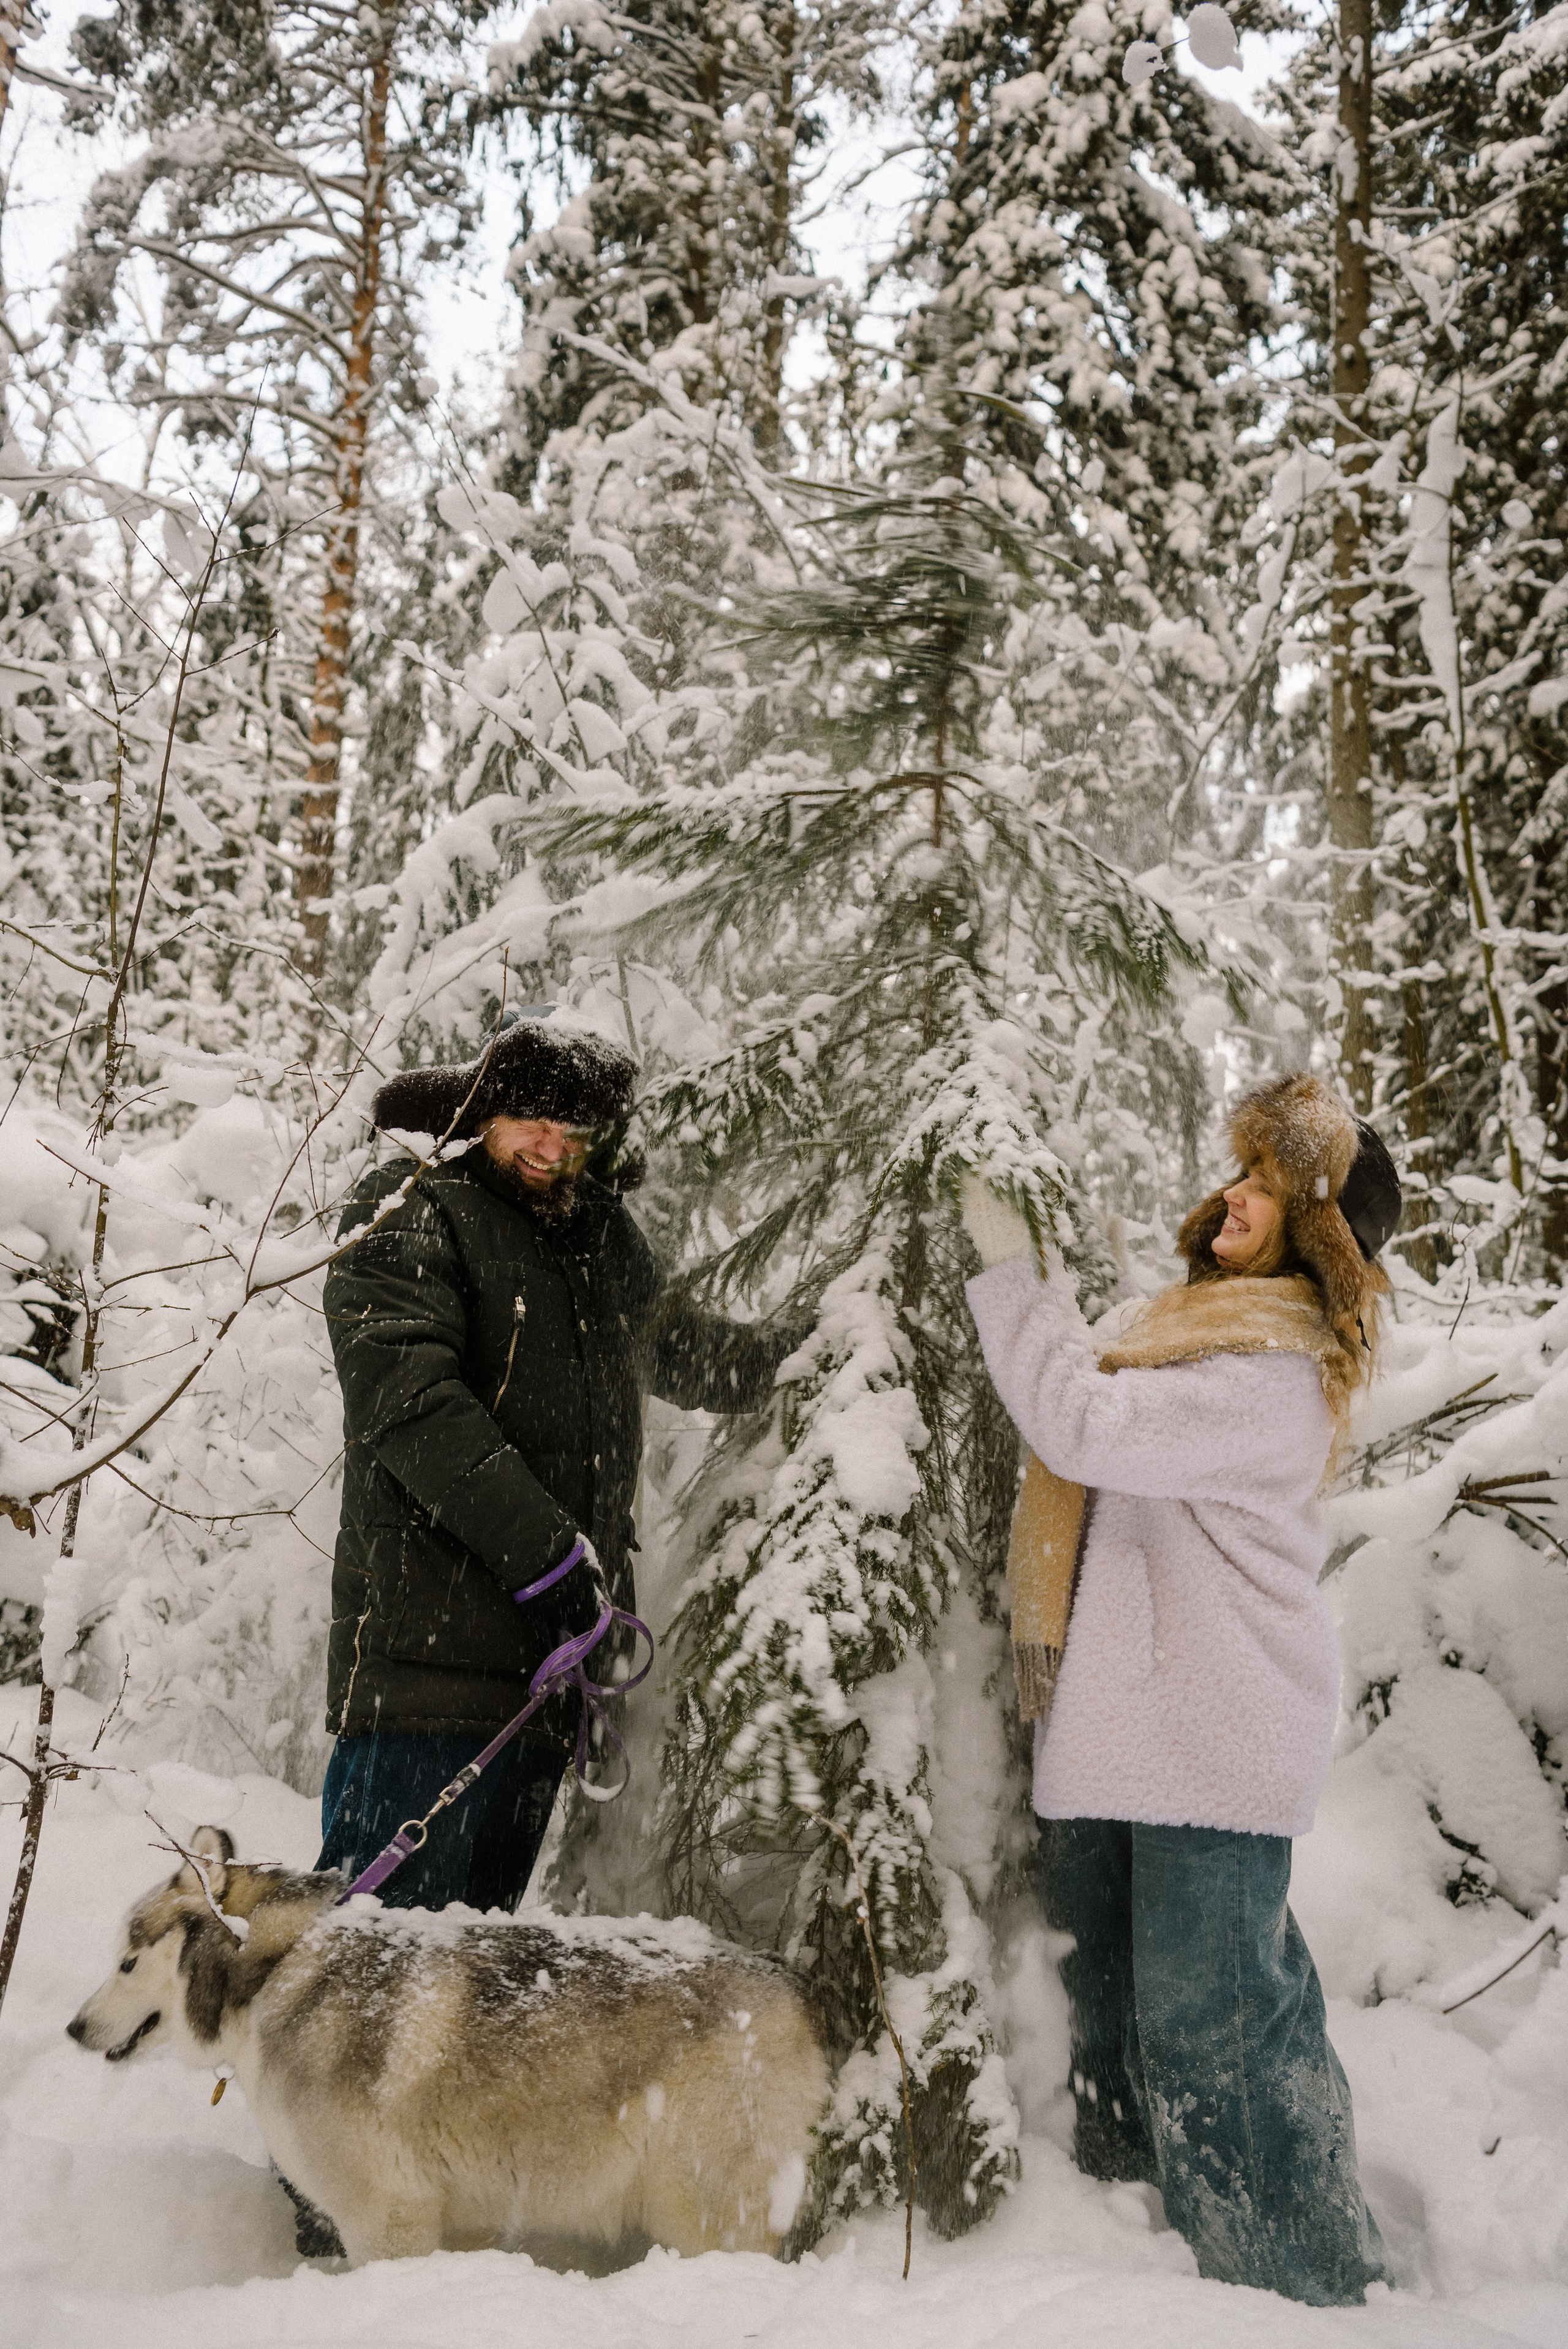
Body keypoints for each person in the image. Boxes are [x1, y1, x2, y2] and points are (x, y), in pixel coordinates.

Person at [962, 1074, 1401, 2307]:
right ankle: (1141, 2273)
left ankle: (1301, 2284)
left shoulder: (1274, 1368)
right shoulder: (1176, 1326)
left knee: (1224, 2040)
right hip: (1110, 1736)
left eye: (1267, 1184)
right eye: (1238, 1171)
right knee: (1106, 2020)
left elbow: (1081, 1427)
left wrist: (1011, 1275)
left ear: (1316, 1228)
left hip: (1214, 1739)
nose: (1234, 1194)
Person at [317, 1005, 802, 1915]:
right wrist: (552, 1564)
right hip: (426, 1686)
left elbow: (684, 1350)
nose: (551, 1144)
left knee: (467, 2002)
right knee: (366, 1989)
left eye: (574, 1128)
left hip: (543, 1686)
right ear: (481, 1112)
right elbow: (410, 1404)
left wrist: (803, 1351)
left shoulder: (596, 1236)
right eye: (530, 1119)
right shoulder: (411, 1207)